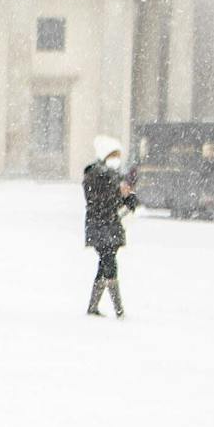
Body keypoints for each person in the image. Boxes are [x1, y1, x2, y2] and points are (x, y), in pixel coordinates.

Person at [83, 136, 137, 317]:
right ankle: (119, 309)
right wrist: (118, 191)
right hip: (100, 225)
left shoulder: (116, 177)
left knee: (105, 263)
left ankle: (93, 306)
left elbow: (122, 201)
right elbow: (98, 200)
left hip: (112, 226)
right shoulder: (94, 175)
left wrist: (128, 198)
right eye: (113, 155)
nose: (116, 159)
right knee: (110, 264)